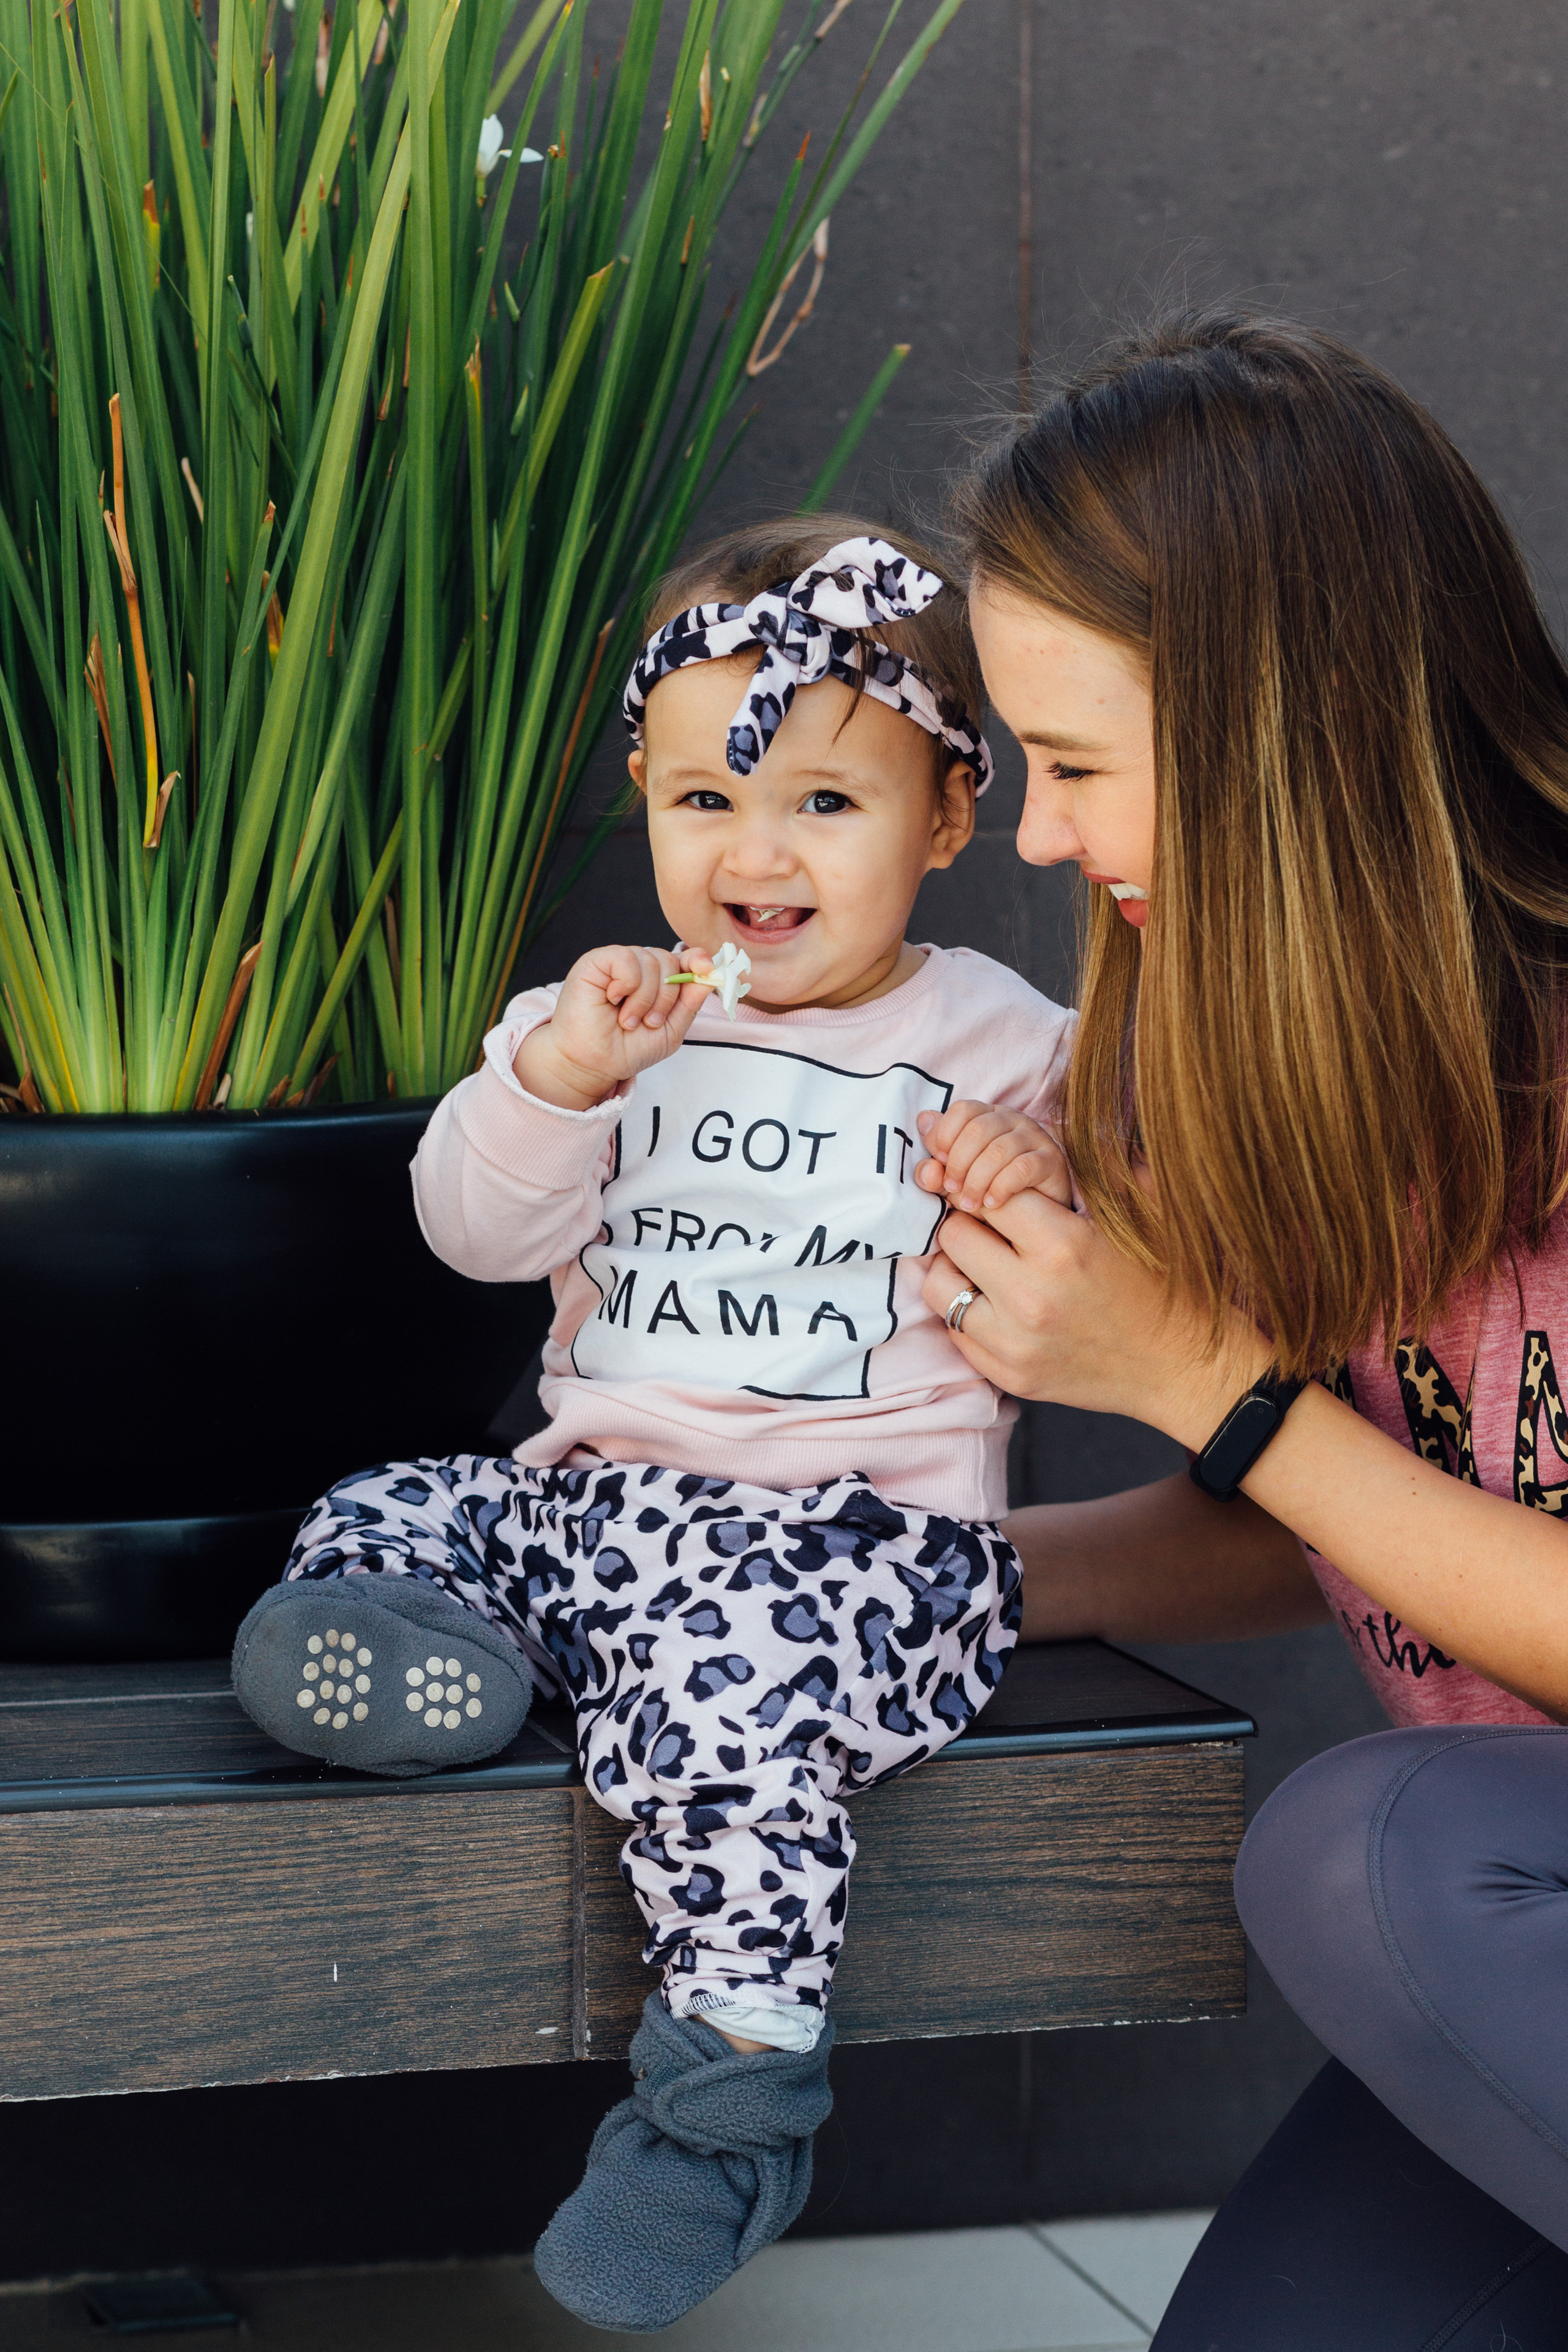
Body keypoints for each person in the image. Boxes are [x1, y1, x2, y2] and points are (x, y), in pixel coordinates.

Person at [228, 518, 1076, 2333]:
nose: (755, 854)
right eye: (706, 798)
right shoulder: (604, 1021)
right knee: (400, 1496)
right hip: (604, 1517)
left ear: (945, 818)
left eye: (826, 809)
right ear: (645, 802)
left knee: (724, 1690)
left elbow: (1100, 1315)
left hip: (856, 1557)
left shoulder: (1012, 1042)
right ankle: (415, 1649)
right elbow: (472, 1230)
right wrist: (548, 1085)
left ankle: (731, 2102)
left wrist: (1042, 1186)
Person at [914, 309, 1568, 2346]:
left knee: (1371, 1845)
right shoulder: (1236, 1059)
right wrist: (930, 1582)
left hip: (1479, 1872)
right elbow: (1353, 1515)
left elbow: (1287, 1442)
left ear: (1290, 735)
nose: (1031, 833)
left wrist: (1197, 1381)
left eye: (1078, 763)